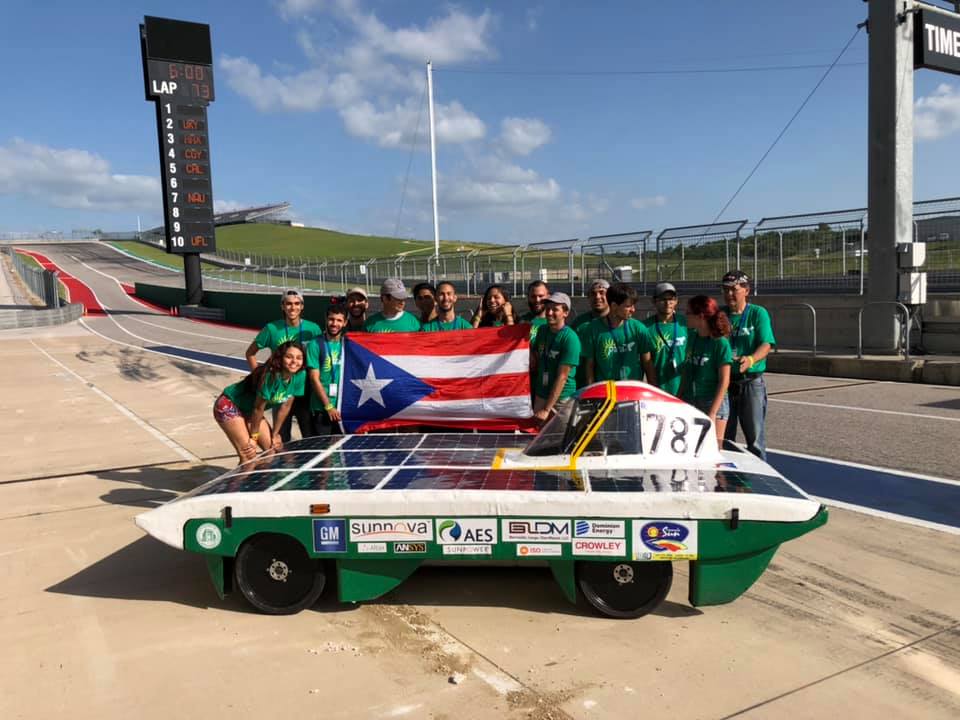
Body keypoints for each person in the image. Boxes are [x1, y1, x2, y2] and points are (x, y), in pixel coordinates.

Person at [244, 289, 320, 441]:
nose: (293, 308)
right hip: (280, 389)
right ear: (282, 306)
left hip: (304, 389)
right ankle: (284, 463)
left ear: (302, 306)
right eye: (289, 304)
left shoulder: (313, 329)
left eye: (297, 304)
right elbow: (250, 353)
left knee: (309, 436)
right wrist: (259, 376)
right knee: (281, 436)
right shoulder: (272, 329)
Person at [213, 341, 306, 463]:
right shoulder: (270, 376)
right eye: (289, 357)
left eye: (299, 358)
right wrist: (254, 438)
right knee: (248, 456)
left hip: (250, 410)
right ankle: (239, 481)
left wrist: (275, 434)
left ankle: (257, 480)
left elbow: (285, 406)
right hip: (230, 405)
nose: (294, 362)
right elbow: (258, 409)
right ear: (280, 358)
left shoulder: (300, 375)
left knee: (271, 451)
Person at [720, 270, 776, 459]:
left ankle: (761, 478)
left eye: (734, 290)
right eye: (725, 290)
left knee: (755, 439)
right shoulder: (720, 316)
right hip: (725, 383)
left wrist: (751, 359)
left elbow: (766, 344)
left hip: (751, 383)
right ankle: (725, 480)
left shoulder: (757, 313)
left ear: (746, 290)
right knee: (724, 438)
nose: (729, 295)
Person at [582, 282, 657, 385]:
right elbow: (589, 366)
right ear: (614, 306)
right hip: (606, 393)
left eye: (633, 306)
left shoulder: (638, 328)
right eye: (628, 306)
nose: (633, 310)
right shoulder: (593, 329)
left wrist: (653, 391)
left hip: (632, 392)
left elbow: (648, 364)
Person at [681, 295, 733, 445]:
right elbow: (686, 371)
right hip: (691, 399)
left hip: (712, 401)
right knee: (690, 448)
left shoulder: (720, 343)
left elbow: (724, 380)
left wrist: (713, 412)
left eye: (689, 313)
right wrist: (679, 396)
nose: (686, 316)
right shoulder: (692, 337)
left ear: (701, 316)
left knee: (713, 449)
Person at [530, 292, 581, 425]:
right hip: (541, 393)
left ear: (565, 313)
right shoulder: (542, 331)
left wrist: (547, 409)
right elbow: (536, 355)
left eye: (555, 309)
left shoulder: (570, 338)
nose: (549, 313)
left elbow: (562, 376)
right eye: (547, 309)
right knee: (540, 439)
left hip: (562, 398)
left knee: (562, 438)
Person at [642, 282, 688, 397]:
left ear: (676, 301)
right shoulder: (646, 327)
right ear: (654, 301)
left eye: (671, 299)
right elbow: (647, 363)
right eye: (663, 299)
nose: (668, 303)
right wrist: (654, 389)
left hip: (686, 389)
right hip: (659, 390)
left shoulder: (686, 323)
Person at [306, 305, 346, 435]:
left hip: (342, 408)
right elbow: (314, 379)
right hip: (321, 409)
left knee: (342, 451)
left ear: (345, 323)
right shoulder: (315, 344)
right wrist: (328, 406)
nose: (334, 324)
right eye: (331, 319)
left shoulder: (347, 344)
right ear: (326, 319)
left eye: (339, 320)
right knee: (324, 452)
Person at [572, 279, 610, 388]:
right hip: (581, 384)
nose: (597, 297)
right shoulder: (579, 323)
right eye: (593, 294)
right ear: (588, 297)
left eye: (602, 293)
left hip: (610, 385)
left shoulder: (618, 322)